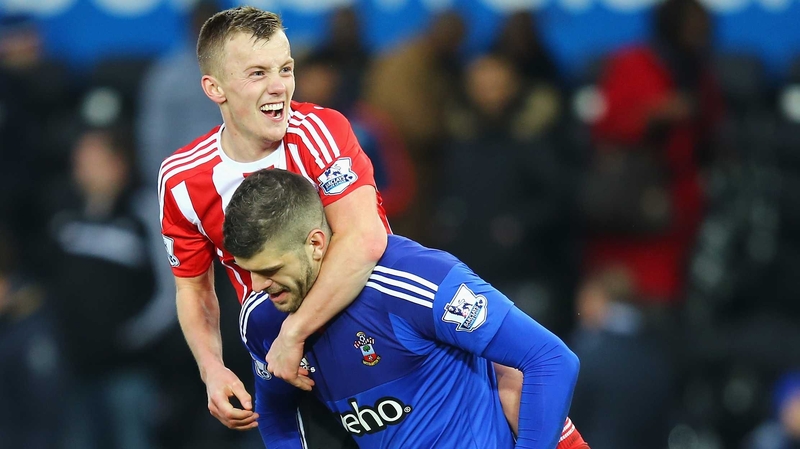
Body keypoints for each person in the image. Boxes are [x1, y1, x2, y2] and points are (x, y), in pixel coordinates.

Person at [157, 6, 387, 447]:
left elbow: (365, 239)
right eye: (258, 73)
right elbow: (192, 288)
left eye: (285, 68)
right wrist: (212, 368)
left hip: (379, 342)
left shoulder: (321, 132)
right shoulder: (182, 180)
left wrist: (293, 334)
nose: (279, 86)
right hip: (290, 374)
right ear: (214, 88)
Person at [224, 168, 583, 449]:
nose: (256, 286)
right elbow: (276, 415)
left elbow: (550, 360)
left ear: (315, 243)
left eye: (270, 270)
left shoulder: (415, 280)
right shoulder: (264, 319)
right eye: (247, 271)